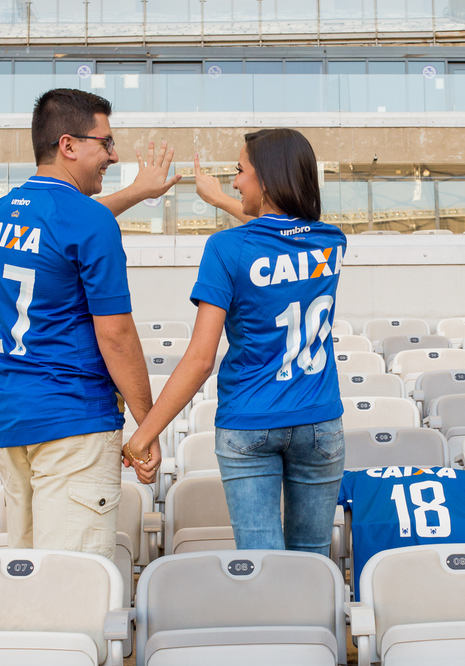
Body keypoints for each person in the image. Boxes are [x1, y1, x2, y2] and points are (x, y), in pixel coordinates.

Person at [125, 128, 347, 555]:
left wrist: (143, 435)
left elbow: (201, 360)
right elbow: (278, 231)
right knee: (314, 561)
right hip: (320, 422)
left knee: (263, 564)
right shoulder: (331, 241)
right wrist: (222, 203)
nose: (234, 182)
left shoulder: (225, 249)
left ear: (266, 178)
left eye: (240, 172)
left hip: (250, 421)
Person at [0, 87, 172, 559]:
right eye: (105, 143)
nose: (113, 153)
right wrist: (146, 426)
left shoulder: (4, 209)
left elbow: (69, 226)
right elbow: (117, 334)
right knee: (72, 583)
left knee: (26, 573)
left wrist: (135, 193)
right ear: (68, 145)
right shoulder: (86, 222)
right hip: (73, 419)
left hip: (11, 418)